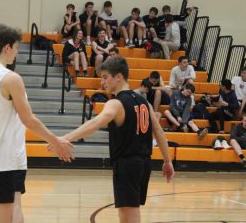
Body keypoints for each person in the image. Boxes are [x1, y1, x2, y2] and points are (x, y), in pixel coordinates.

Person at [0, 24, 73, 223]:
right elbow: (28, 120)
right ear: (7, 48)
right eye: (17, 47)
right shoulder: (10, 78)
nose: (17, 52)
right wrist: (56, 141)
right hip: (1, 161)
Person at [59, 57, 174, 223]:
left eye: (105, 77)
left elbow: (97, 122)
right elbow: (158, 131)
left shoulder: (116, 102)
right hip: (144, 163)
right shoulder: (144, 102)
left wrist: (66, 137)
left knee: (128, 216)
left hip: (127, 164)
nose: (102, 81)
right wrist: (167, 160)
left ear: (118, 77)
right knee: (131, 213)